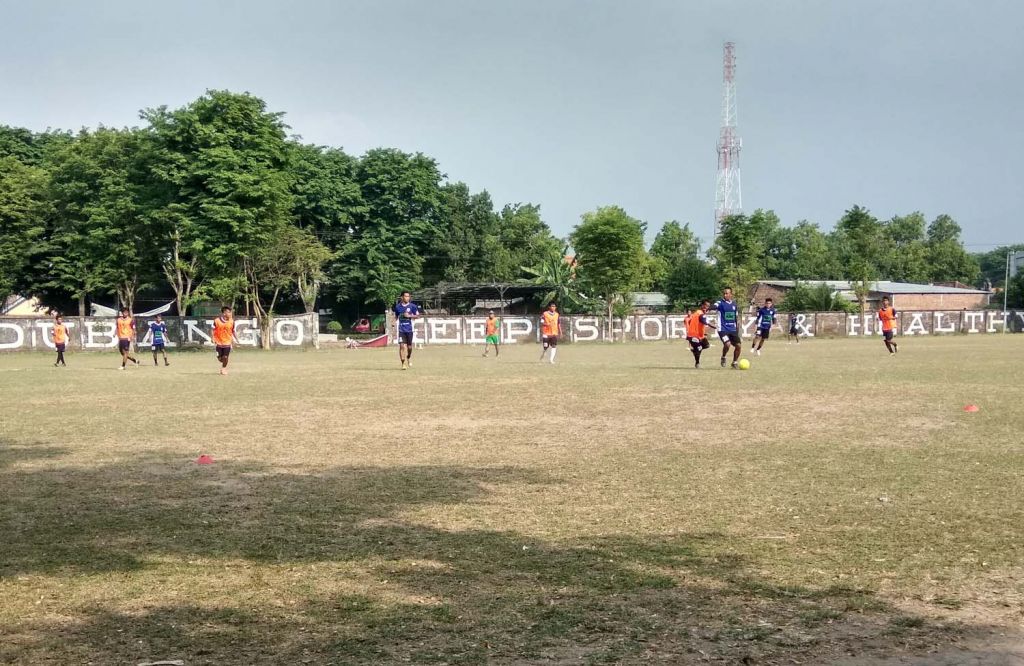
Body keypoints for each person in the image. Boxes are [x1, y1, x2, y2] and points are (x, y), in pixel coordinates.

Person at [713, 287, 743, 369]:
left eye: (727, 293)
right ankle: (723, 357)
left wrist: (737, 326)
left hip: (732, 329)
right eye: (724, 293)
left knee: (738, 346)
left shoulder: (734, 304)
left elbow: (736, 317)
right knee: (727, 344)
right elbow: (714, 306)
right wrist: (708, 308)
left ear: (731, 294)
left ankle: (734, 362)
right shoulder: (720, 302)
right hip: (722, 329)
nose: (725, 295)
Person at [393, 291, 421, 369]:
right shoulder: (398, 307)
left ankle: (408, 357)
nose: (407, 298)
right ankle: (403, 363)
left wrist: (409, 315)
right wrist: (393, 323)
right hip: (401, 330)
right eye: (406, 296)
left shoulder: (413, 306)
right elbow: (396, 316)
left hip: (409, 330)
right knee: (401, 346)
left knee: (409, 347)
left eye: (408, 296)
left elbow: (418, 316)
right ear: (402, 297)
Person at [684, 300, 716, 368]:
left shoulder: (698, 312)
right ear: (702, 305)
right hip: (693, 335)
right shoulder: (700, 314)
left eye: (708, 306)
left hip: (700, 335)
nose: (706, 307)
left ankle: (694, 350)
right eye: (705, 306)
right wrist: (714, 326)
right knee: (699, 348)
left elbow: (690, 321)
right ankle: (697, 363)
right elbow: (705, 321)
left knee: (707, 345)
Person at [211, 306, 238, 375]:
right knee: (220, 359)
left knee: (225, 357)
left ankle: (223, 369)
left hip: (227, 342)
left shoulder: (232, 321)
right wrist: (212, 338)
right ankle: (223, 363)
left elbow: (233, 331)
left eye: (230, 312)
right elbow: (212, 329)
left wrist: (236, 339)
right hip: (218, 342)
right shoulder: (217, 321)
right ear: (224, 313)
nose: (230, 314)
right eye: (228, 312)